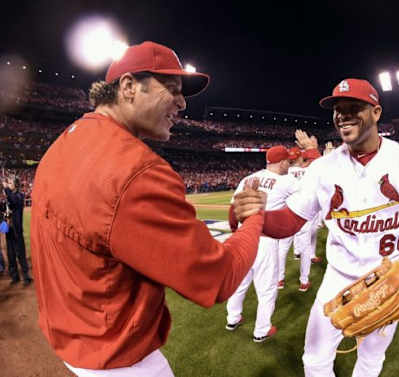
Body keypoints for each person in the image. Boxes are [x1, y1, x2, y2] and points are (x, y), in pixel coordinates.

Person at [30, 41, 266, 377]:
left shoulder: (68, 137)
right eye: (172, 89)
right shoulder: (135, 169)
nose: (183, 102)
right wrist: (253, 220)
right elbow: (217, 278)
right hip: (119, 357)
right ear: (127, 87)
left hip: (72, 336)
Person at [262, 78, 399, 377]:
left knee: (370, 360)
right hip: (337, 279)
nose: (342, 114)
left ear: (376, 112)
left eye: (353, 107)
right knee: (315, 360)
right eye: (337, 109)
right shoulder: (322, 168)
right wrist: (255, 219)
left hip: (391, 280)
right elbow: (290, 220)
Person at [226, 145, 298, 342]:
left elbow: (233, 210)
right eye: (288, 162)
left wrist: (236, 232)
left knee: (240, 282)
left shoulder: (248, 179)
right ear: (282, 162)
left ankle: (233, 319)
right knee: (266, 289)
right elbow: (305, 201)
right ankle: (261, 330)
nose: (289, 165)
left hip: (242, 237)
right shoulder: (287, 181)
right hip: (264, 239)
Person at [277, 145, 320, 292]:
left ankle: (279, 280)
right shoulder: (310, 172)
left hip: (284, 215)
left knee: (281, 249)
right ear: (301, 158)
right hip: (302, 217)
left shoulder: (283, 173)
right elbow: (320, 164)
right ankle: (304, 281)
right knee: (306, 249)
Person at [3, 176, 32, 286]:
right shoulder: (7, 197)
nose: (8, 184)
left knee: (20, 253)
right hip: (7, 228)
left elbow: (13, 201)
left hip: (16, 230)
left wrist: (6, 189)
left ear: (15, 184)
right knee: (10, 254)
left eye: (10, 182)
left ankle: (26, 277)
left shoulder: (19, 195)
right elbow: (4, 211)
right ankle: (14, 276)